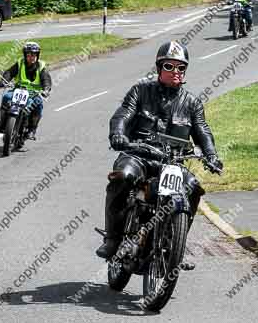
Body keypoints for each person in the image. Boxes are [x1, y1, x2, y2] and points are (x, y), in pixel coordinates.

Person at [96, 40, 224, 259]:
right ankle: (113, 239)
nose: (176, 71)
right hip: (138, 155)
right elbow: (123, 114)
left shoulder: (192, 103)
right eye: (169, 66)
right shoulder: (140, 91)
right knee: (122, 178)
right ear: (159, 68)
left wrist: (211, 155)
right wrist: (118, 134)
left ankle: (175, 246)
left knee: (193, 188)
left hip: (172, 162)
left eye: (181, 67)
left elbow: (203, 131)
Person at [0, 41, 52, 140]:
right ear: (25, 55)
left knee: (38, 103)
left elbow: (46, 80)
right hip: (18, 90)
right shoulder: (20, 63)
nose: (31, 57)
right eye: (29, 55)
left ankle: (32, 130)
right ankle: (2, 123)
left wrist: (46, 89)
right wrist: (4, 81)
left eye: (34, 55)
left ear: (37, 55)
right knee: (6, 97)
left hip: (34, 94)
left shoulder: (41, 67)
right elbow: (9, 72)